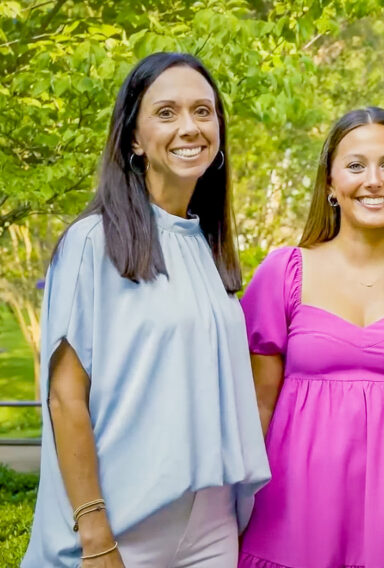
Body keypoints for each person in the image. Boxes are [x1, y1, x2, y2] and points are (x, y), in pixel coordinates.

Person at [23, 52, 271, 567]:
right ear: (134, 138)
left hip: (210, 532)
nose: (190, 127)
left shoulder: (207, 246)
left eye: (204, 111)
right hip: (121, 532)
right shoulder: (93, 243)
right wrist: (96, 537)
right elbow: (66, 398)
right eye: (166, 112)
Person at [237, 107, 384, 568]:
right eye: (355, 166)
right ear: (330, 183)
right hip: (295, 517)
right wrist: (236, 511)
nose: (374, 180)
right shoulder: (285, 273)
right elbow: (259, 405)